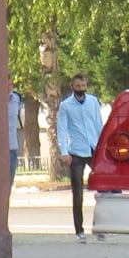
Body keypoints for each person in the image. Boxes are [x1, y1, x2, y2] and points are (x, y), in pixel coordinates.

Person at [53, 73, 105, 240]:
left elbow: (98, 124)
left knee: (102, 190)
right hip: (76, 151)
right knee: (78, 193)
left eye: (83, 86)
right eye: (78, 87)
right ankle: (79, 230)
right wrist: (63, 152)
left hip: (94, 149)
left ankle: (99, 228)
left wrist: (103, 147)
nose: (81, 89)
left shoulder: (93, 101)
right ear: (72, 87)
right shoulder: (66, 106)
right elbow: (61, 129)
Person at [8, 84, 25, 185]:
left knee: (10, 183)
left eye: (10, 85)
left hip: (12, 147)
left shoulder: (16, 98)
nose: (8, 87)